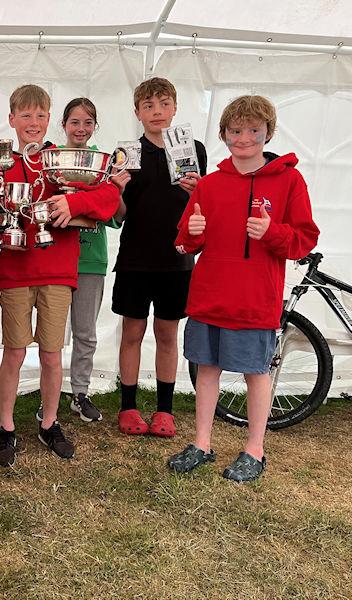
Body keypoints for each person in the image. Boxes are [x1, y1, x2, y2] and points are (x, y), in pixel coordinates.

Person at [0, 84, 121, 467]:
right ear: (12, 119)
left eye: (40, 116)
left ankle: (49, 423)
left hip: (58, 270)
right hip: (16, 271)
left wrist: (74, 201)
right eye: (25, 116)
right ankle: (6, 427)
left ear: (50, 120)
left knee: (52, 355)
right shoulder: (0, 167)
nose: (33, 123)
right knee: (14, 352)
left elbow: (110, 197)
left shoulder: (63, 160)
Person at [168, 95, 319, 482]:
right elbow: (186, 241)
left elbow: (304, 239)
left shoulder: (289, 180)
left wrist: (273, 232)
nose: (244, 138)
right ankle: (201, 443)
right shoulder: (210, 185)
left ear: (268, 133)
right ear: (224, 134)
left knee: (256, 373)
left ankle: (255, 448)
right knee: (207, 371)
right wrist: (191, 233)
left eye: (253, 130)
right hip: (209, 296)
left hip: (255, 300)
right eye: (236, 130)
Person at [112, 77, 207, 438]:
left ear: (175, 108)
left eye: (163, 104)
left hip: (178, 259)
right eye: (148, 106)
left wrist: (199, 192)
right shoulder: (127, 154)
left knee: (168, 333)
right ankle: (128, 406)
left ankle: (165, 410)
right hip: (135, 258)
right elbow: (118, 216)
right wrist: (117, 190)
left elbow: (204, 207)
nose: (157, 112)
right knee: (132, 332)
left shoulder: (193, 149)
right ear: (137, 112)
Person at [35, 97, 130, 425]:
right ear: (63, 125)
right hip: (58, 260)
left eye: (87, 122)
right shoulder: (52, 162)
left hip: (90, 260)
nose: (81, 128)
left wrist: (115, 191)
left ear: (94, 127)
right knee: (53, 336)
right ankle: (50, 394)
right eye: (75, 122)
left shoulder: (105, 166)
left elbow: (118, 216)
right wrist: (86, 203)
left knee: (86, 332)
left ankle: (79, 393)